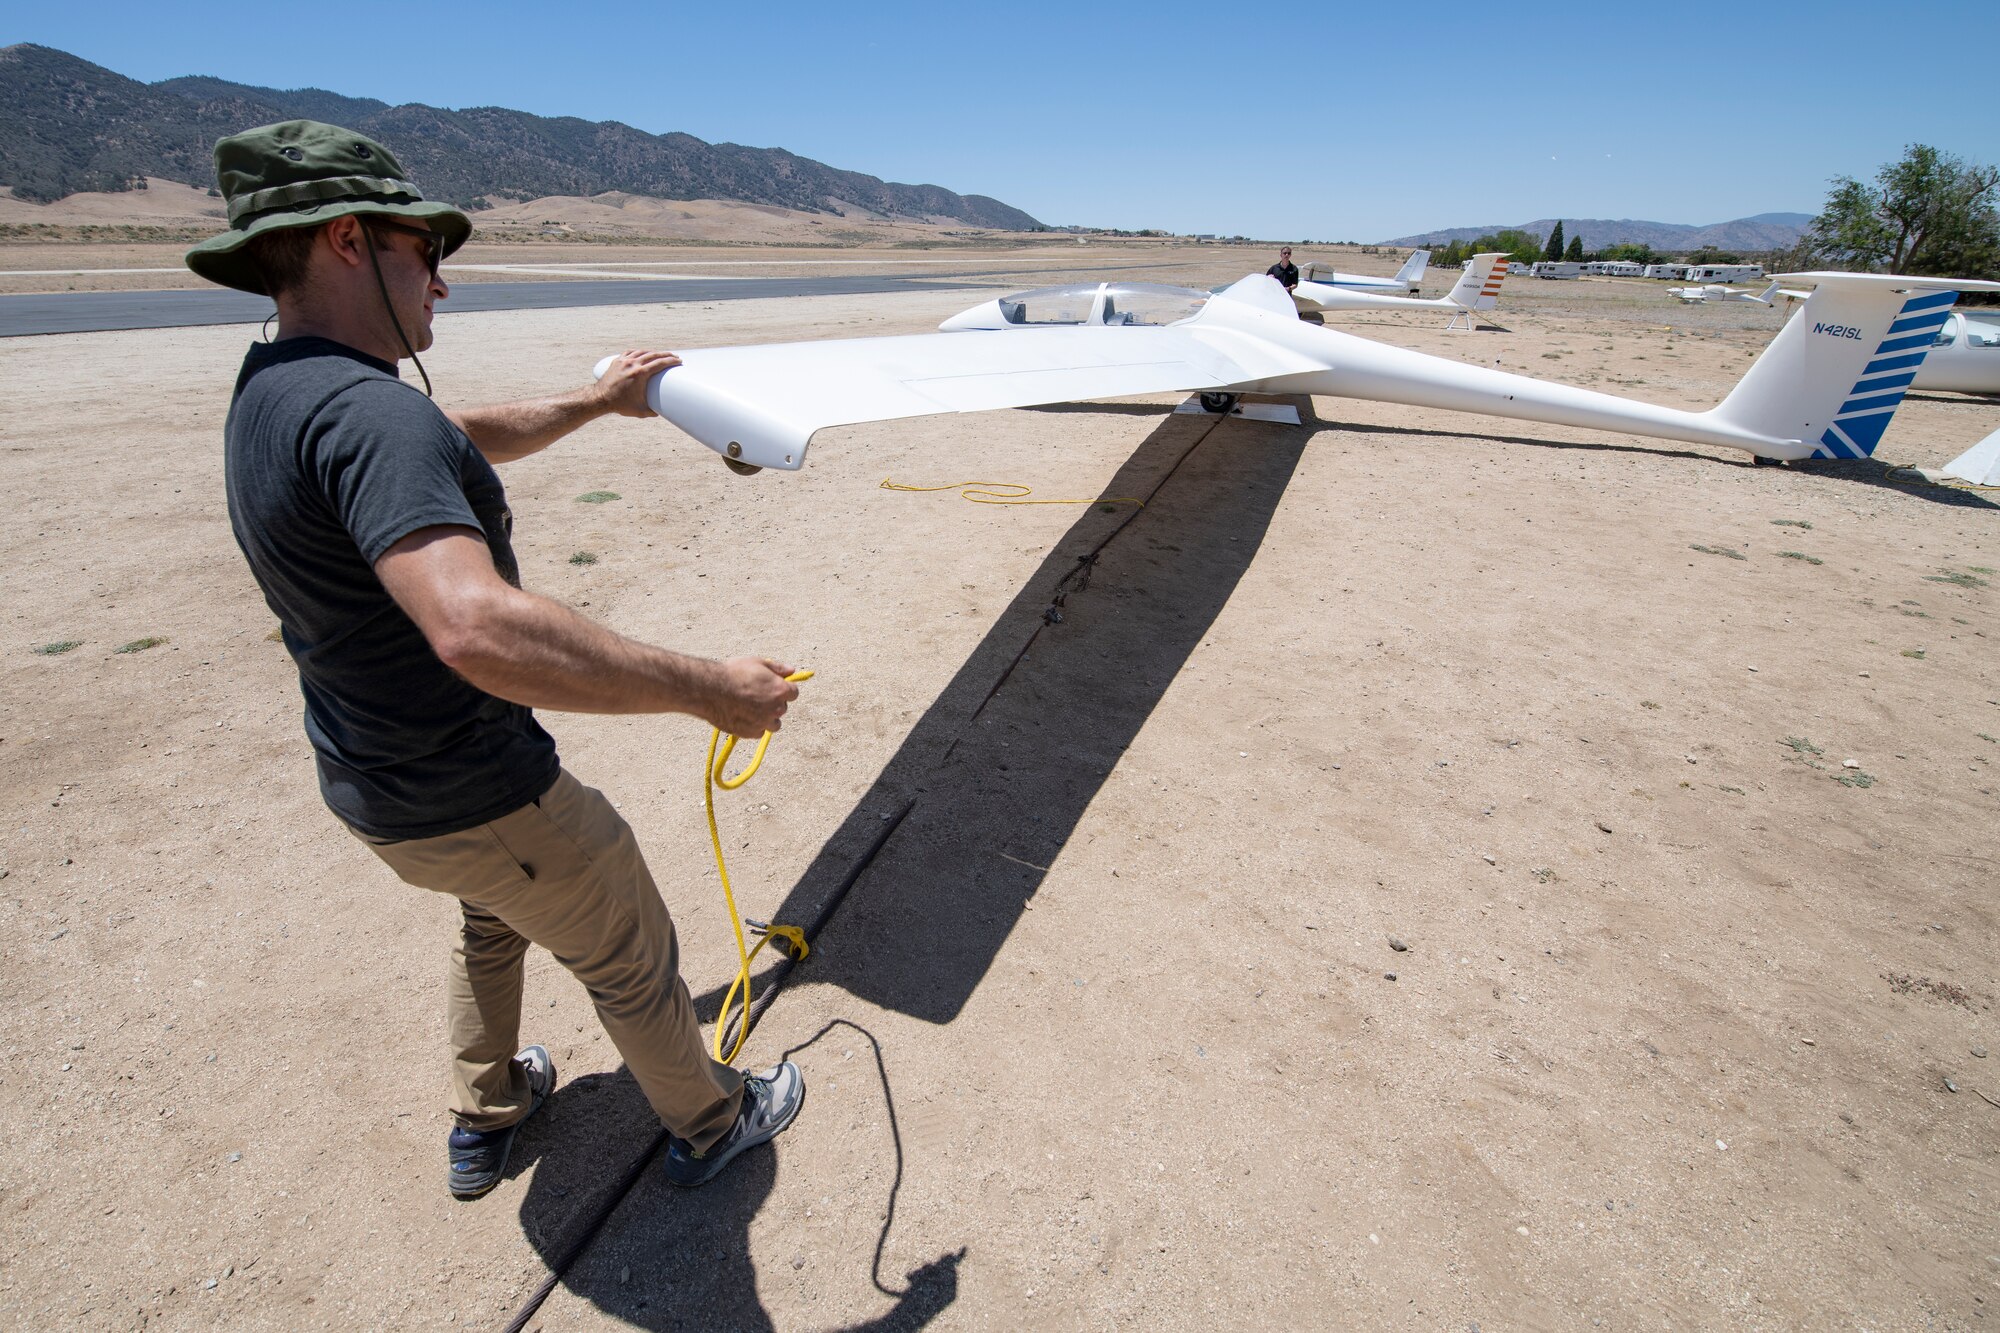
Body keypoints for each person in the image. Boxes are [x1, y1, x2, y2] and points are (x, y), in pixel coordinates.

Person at [184, 120, 805, 1199]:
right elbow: (474, 627)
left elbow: (446, 433)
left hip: (374, 789)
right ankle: (712, 1117)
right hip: (478, 790)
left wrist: (595, 404)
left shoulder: (277, 388)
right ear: (346, 240)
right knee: (626, 943)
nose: (440, 286)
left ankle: (492, 1105)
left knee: (492, 913)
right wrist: (711, 689)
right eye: (427, 255)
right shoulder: (369, 415)